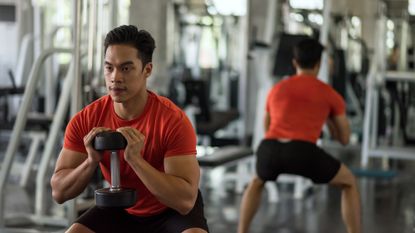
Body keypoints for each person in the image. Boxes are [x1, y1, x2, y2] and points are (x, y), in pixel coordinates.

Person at [50, 25, 209, 233]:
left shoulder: (172, 120)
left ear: (147, 70)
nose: (115, 77)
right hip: (120, 209)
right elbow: (59, 192)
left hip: (170, 212)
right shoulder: (87, 119)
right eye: (109, 68)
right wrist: (90, 162)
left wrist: (135, 160)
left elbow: (185, 200)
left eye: (126, 68)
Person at [237, 38, 361, 233]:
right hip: (303, 152)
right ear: (319, 64)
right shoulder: (330, 95)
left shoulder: (276, 90)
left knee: (256, 182)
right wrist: (329, 120)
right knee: (349, 182)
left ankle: (241, 231)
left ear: (295, 63)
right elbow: (345, 140)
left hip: (270, 149)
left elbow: (267, 127)